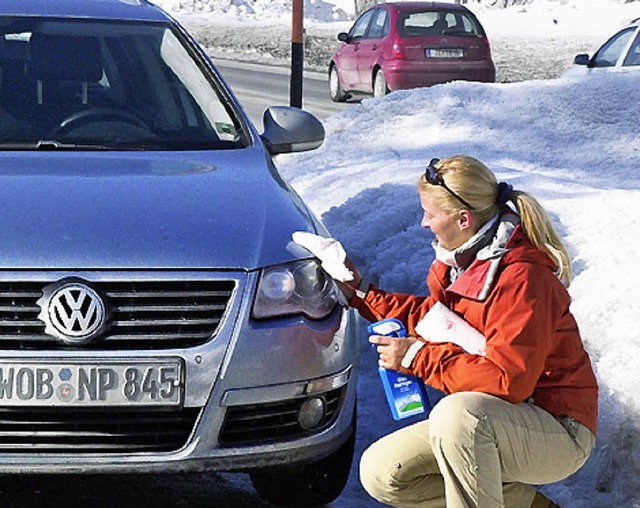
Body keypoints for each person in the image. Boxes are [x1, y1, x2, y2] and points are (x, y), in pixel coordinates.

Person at [338, 155, 598, 508]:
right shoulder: (461, 263)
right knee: (383, 472)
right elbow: (434, 320)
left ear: (463, 219)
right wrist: (362, 293)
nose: (423, 223)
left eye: (430, 214)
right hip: (499, 418)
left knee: (457, 416)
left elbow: (509, 380)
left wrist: (416, 356)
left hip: (558, 429)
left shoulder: (521, 277)